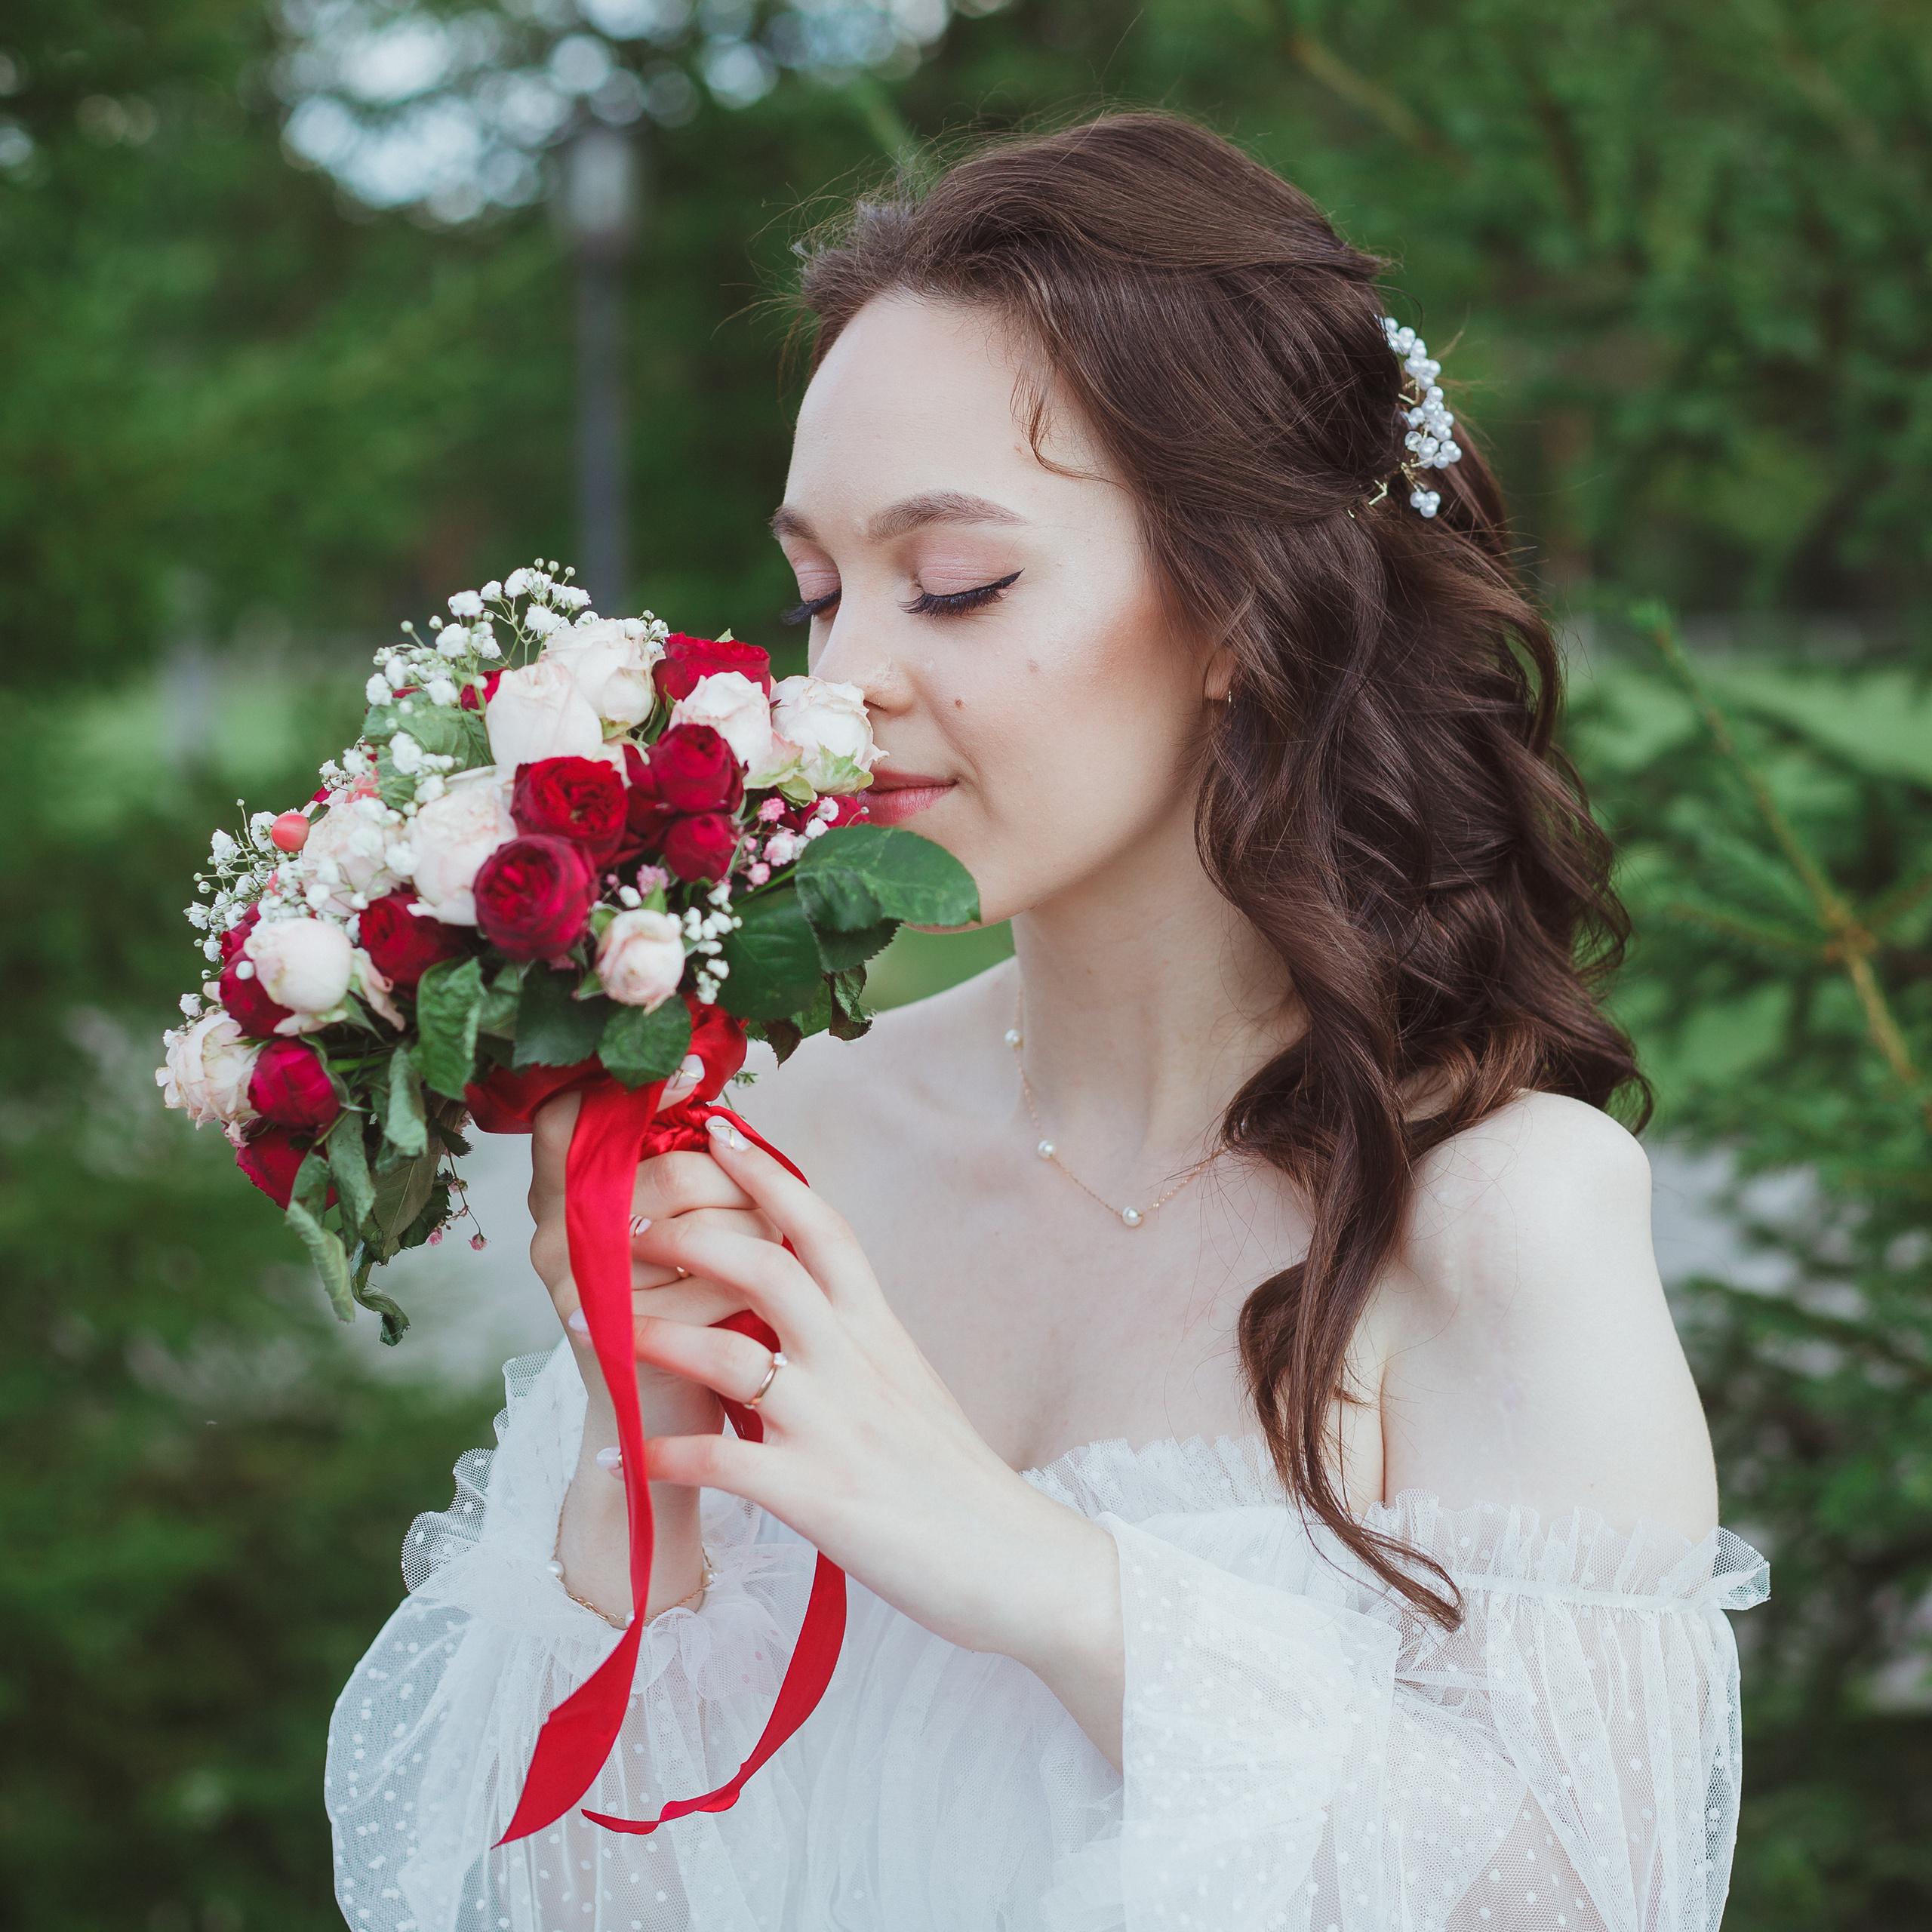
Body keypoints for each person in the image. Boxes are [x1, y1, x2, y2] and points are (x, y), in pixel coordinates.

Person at [327, 113, 1765, 1932]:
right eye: (816, 594)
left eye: (956, 585)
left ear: (1243, 604)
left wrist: (1036, 1574)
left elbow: (1583, 1908)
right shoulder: (784, 1149)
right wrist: (644, 1449)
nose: (839, 691)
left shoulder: (1492, 1215)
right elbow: (544, 1884)